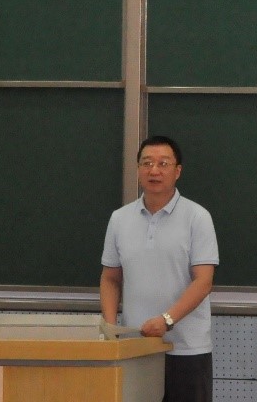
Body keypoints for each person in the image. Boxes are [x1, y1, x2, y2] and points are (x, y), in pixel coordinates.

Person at [100, 134, 219, 402]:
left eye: (163, 163)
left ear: (178, 171)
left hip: (186, 349)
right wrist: (109, 327)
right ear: (138, 169)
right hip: (134, 348)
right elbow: (110, 278)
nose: (154, 170)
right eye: (147, 163)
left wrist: (167, 320)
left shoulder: (197, 217)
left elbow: (203, 281)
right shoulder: (119, 219)